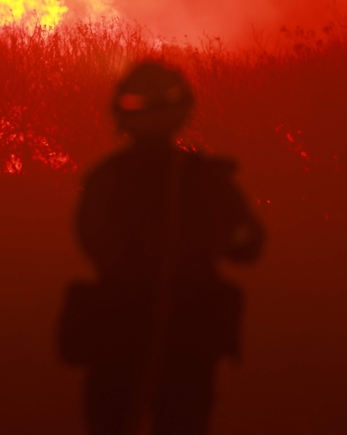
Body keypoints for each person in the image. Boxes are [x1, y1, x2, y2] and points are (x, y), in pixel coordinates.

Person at [65, 61, 264, 435]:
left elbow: (88, 240)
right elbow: (250, 245)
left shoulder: (106, 177)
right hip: (187, 334)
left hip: (118, 331)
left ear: (121, 114)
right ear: (183, 112)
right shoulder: (205, 177)